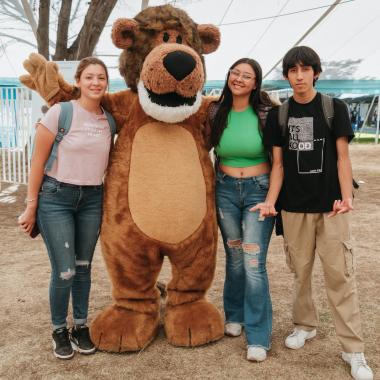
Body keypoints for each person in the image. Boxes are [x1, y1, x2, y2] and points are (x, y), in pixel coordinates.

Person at [256, 46, 373, 380]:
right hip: (293, 208)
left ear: (316, 73)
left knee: (340, 277)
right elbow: (277, 165)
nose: (299, 76)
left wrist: (346, 195)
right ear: (287, 76)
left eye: (306, 69)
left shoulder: (333, 107)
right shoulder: (280, 115)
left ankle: (354, 350)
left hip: (332, 208)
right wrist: (271, 201)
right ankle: (304, 325)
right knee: (300, 272)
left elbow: (342, 158)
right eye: (293, 70)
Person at [18, 57, 113, 360]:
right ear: (79, 81)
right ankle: (59, 329)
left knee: (84, 268)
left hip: (92, 199)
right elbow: (37, 163)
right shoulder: (62, 112)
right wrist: (31, 207)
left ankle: (80, 326)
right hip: (56, 197)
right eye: (89, 77)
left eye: (101, 78)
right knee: (65, 271)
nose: (96, 83)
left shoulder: (109, 121)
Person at [209, 58, 275, 362]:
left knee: (252, 261)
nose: (239, 78)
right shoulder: (214, 111)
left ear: (255, 83)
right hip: (224, 189)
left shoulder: (266, 113)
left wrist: (273, 197)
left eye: (246, 76)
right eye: (235, 73)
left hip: (257, 191)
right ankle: (234, 316)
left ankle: (258, 336)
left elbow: (281, 160)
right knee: (234, 255)